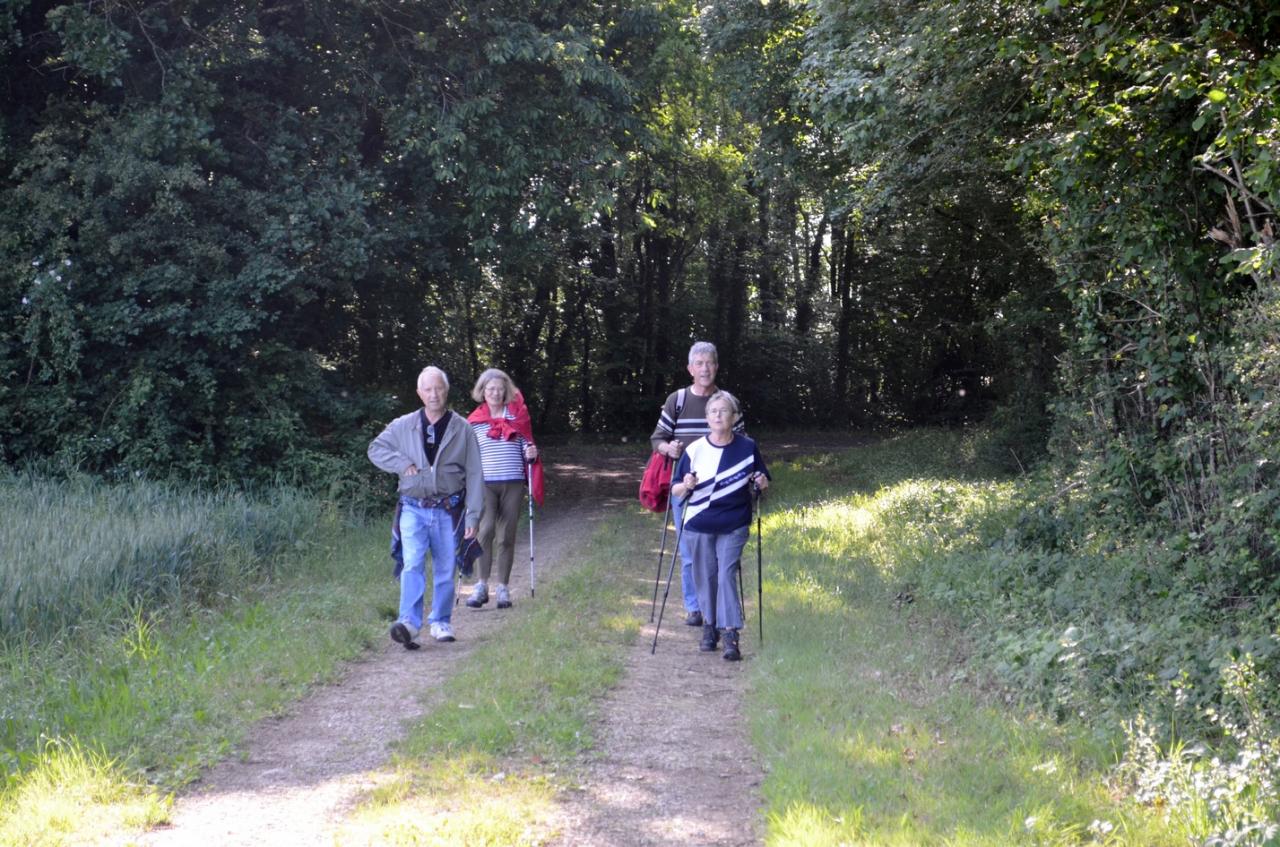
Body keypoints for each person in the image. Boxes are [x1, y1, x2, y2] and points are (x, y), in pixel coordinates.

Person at [368, 366, 485, 647]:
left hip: (448, 509)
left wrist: (473, 515)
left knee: (445, 567)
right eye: (428, 389)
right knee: (413, 563)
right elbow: (376, 449)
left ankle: (441, 622)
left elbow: (475, 473)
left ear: (447, 391)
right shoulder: (403, 425)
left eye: (439, 388)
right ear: (419, 393)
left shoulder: (462, 428)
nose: (434, 394)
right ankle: (408, 622)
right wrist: (401, 463)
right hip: (412, 508)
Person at [650, 341, 746, 627]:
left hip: (722, 490)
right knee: (690, 551)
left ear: (717, 367)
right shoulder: (676, 400)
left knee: (718, 554)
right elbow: (657, 438)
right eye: (699, 363)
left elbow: (741, 443)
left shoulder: (728, 401)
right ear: (690, 368)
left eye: (710, 363)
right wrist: (670, 450)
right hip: (685, 489)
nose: (705, 368)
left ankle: (714, 608)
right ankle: (695, 607)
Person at [670, 390, 769, 661]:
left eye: (724, 411)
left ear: (734, 417)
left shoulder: (747, 447)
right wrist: (686, 485)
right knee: (705, 575)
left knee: (725, 574)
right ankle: (709, 626)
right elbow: (676, 489)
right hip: (699, 522)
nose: (718, 415)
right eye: (713, 412)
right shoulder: (695, 450)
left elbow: (762, 478)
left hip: (734, 522)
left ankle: (730, 634)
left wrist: (760, 482)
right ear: (706, 418)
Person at [465, 368, 543, 610]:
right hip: (485, 485)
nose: (495, 393)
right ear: (482, 392)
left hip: (513, 483)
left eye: (499, 389)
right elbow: (468, 456)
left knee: (506, 536)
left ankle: (503, 588)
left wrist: (532, 454)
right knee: (485, 531)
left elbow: (527, 450)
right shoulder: (474, 422)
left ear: (506, 391)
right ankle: (481, 586)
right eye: (490, 389)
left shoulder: (517, 417)